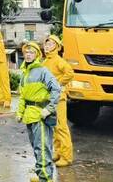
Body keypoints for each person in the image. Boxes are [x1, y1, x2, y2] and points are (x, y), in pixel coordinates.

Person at [17, 41, 61, 182]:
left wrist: (49, 109)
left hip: (41, 117)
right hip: (30, 117)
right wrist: (20, 112)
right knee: (37, 148)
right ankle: (41, 174)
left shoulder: (42, 71)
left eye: (31, 52)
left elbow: (56, 89)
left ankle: (46, 178)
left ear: (37, 54)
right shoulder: (24, 73)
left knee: (43, 149)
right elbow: (23, 96)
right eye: (26, 52)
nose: (28, 55)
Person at [42, 34, 74, 167]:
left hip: (59, 99)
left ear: (56, 46)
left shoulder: (58, 60)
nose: (46, 46)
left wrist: (58, 84)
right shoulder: (45, 61)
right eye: (46, 44)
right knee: (54, 126)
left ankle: (67, 157)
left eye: (50, 44)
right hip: (49, 99)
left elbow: (70, 73)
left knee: (61, 127)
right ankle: (58, 152)